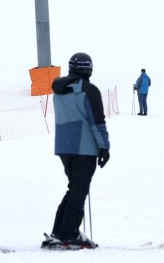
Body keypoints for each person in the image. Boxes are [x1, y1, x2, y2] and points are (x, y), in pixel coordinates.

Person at [43, 53, 110, 250]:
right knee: (79, 191)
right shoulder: (89, 90)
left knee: (74, 189)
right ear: (88, 70)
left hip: (64, 147)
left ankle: (59, 232)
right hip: (84, 147)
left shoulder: (59, 89)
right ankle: (68, 234)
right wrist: (104, 147)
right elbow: (97, 121)